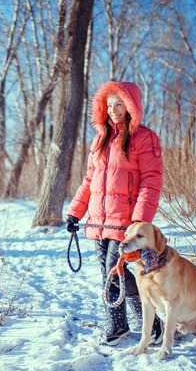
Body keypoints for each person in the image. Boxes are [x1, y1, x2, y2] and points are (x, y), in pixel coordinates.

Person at [66, 81, 164, 346]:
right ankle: (121, 325)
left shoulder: (144, 138)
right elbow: (89, 180)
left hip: (126, 222)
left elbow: (151, 181)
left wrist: (139, 222)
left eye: (119, 104)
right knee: (108, 272)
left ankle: (151, 324)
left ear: (131, 106)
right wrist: (75, 212)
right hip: (99, 219)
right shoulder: (100, 140)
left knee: (114, 269)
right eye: (108, 105)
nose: (113, 110)